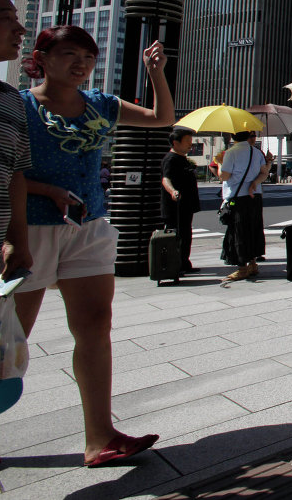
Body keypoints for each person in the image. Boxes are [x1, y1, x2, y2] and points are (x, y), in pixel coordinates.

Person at [15, 24, 173, 467]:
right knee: (10, 336)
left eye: (87, 56)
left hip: (88, 225)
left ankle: (99, 436)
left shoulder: (100, 104)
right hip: (30, 227)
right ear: (41, 59)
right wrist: (47, 191)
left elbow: (161, 118)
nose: (81, 63)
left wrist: (154, 73)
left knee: (95, 325)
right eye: (69, 54)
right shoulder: (18, 107)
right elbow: (1, 170)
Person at [0, 0, 33, 469]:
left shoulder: (8, 99)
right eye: (5, 16)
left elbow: (15, 174)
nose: (19, 26)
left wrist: (16, 240)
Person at [214, 131, 269, 282]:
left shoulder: (231, 153)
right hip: (255, 196)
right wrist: (254, 184)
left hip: (237, 197)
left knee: (238, 231)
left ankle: (242, 268)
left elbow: (224, 176)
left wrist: (219, 163)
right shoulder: (256, 152)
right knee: (253, 229)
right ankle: (253, 263)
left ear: (232, 137)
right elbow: (264, 173)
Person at [161, 129, 201, 274]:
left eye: (191, 142)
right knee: (178, 235)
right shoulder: (171, 159)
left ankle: (184, 262)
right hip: (175, 206)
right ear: (175, 143)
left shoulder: (182, 158)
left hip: (185, 205)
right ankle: (176, 264)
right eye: (187, 142)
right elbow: (166, 178)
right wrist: (173, 191)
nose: (190, 145)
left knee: (185, 234)